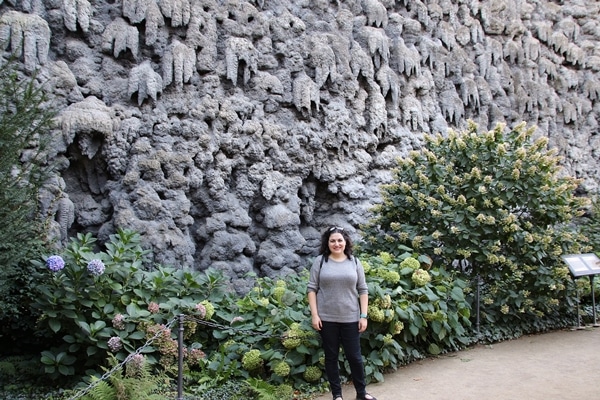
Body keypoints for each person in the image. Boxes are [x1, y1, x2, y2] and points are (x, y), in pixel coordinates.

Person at [307, 226, 377, 400]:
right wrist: (315, 315)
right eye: (333, 240)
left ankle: (361, 393)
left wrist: (363, 316)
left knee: (355, 357)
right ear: (327, 243)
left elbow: (363, 289)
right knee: (331, 357)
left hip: (351, 318)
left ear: (346, 242)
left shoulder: (354, 262)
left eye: (340, 240)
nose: (336, 244)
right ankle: (337, 395)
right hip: (327, 319)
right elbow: (311, 289)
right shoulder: (320, 261)